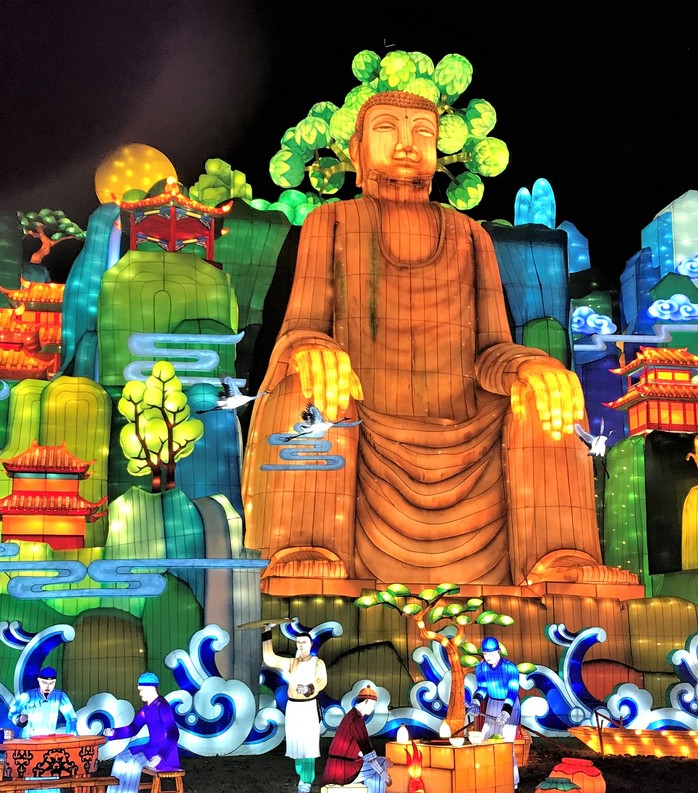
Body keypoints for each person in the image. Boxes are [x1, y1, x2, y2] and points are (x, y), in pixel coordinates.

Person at [243, 90, 626, 588]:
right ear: (357, 151)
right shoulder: (330, 222)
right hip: (358, 423)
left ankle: (559, 556)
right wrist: (311, 347)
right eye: (387, 129)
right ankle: (308, 543)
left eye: (422, 132)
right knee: (310, 383)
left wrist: (529, 366)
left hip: (468, 434)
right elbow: (301, 325)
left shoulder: (469, 234)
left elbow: (492, 349)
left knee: (547, 394)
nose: (407, 144)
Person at [102, 673, 181, 793]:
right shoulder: (147, 709)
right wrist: (114, 732)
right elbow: (133, 728)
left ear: (151, 688)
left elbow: (173, 733)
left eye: (142, 690)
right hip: (151, 747)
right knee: (122, 757)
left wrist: (161, 755)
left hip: (165, 753)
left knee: (134, 763)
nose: (140, 693)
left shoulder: (162, 706)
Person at [262, 626, 327, 793]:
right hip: (293, 707)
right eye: (298, 642)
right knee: (295, 742)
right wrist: (266, 632)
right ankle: (301, 774)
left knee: (308, 744)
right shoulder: (292, 662)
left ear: (310, 644)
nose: (301, 645)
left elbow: (321, 681)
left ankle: (307, 779)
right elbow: (270, 659)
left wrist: (309, 688)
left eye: (304, 642)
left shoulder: (317, 663)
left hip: (308, 706)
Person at [7, 665, 77, 793]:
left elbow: (71, 718)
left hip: (49, 738)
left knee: (50, 765)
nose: (48, 686)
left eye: (51, 683)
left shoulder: (60, 696)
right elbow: (12, 713)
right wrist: (20, 719)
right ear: (39, 680)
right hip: (29, 739)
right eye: (45, 682)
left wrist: (70, 737)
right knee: (31, 767)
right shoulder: (27, 696)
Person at [320, 684, 390, 793]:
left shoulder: (349, 716)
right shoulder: (357, 720)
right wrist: (384, 775)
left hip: (333, 767)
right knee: (381, 764)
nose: (373, 708)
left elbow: (355, 748)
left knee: (375, 762)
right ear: (367, 701)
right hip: (344, 771)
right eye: (373, 704)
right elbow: (367, 750)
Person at [469, 636, 521, 788]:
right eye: (485, 654)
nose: (488, 657)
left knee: (506, 744)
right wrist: (475, 702)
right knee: (486, 740)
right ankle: (488, 778)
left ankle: (511, 782)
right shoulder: (481, 668)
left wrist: (506, 712)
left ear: (498, 652)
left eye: (491, 654)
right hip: (492, 703)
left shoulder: (510, 668)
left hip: (510, 705)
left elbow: (512, 691)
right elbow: (482, 688)